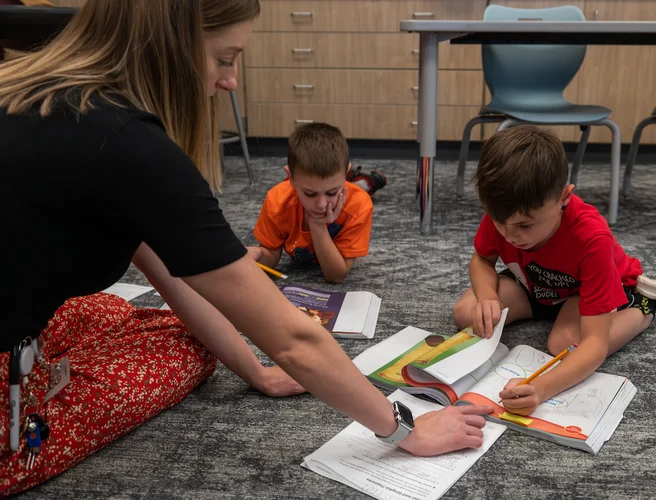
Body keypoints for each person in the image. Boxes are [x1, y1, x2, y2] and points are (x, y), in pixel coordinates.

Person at [0, 0, 491, 495]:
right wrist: (404, 427)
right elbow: (294, 341)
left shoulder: (27, 87)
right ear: (174, 45)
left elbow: (169, 271)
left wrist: (256, 371)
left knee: (126, 315)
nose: (230, 81)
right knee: (185, 351)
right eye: (226, 58)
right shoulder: (132, 148)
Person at [452, 125, 656, 417]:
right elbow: (482, 260)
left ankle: (641, 308)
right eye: (499, 222)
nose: (510, 235)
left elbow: (595, 344)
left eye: (525, 226)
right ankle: (542, 305)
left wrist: (542, 388)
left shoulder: (591, 238)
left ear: (564, 198)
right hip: (534, 283)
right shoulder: (507, 210)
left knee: (564, 344)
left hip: (585, 292)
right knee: (468, 313)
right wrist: (488, 294)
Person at [249, 123, 372, 283]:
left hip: (352, 195)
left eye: (331, 192)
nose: (321, 204)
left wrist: (318, 225)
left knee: (358, 192)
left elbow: (336, 275)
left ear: (345, 175)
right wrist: (257, 254)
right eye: (310, 194)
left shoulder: (359, 207)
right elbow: (271, 255)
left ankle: (368, 182)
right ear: (290, 178)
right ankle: (365, 182)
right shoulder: (277, 201)